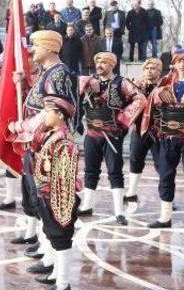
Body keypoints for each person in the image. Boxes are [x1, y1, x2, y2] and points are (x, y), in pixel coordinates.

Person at [7, 30, 78, 266]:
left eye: (36, 45)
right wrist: (25, 84)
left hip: (47, 145)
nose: (32, 50)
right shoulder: (47, 73)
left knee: (48, 203)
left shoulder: (58, 74)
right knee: (36, 199)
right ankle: (47, 253)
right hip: (36, 143)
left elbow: (54, 112)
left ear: (49, 47)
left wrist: (22, 127)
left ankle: (52, 259)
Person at [77, 52, 146, 225]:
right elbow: (74, 91)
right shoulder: (89, 81)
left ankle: (118, 211)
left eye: (104, 62)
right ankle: (86, 206)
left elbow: (140, 99)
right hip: (92, 134)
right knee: (90, 171)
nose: (99, 64)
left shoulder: (122, 83)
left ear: (112, 65)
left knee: (115, 172)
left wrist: (123, 119)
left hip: (112, 135)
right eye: (97, 61)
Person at [30, 95, 80, 290]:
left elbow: (65, 181)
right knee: (53, 236)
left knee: (61, 238)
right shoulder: (51, 135)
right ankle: (56, 275)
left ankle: (63, 284)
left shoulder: (64, 141)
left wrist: (61, 207)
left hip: (57, 198)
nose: (44, 115)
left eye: (48, 111)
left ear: (59, 115)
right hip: (47, 195)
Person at [140, 47, 184, 228]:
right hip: (169, 137)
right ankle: (165, 217)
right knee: (165, 174)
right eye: (179, 61)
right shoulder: (165, 86)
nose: (182, 64)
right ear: (174, 64)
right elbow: (153, 109)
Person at [125, 58, 162, 204]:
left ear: (159, 71)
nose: (149, 71)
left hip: (158, 131)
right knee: (135, 160)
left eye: (153, 68)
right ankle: (132, 192)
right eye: (147, 68)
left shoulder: (164, 86)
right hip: (139, 129)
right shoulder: (136, 86)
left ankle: (166, 196)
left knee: (162, 164)